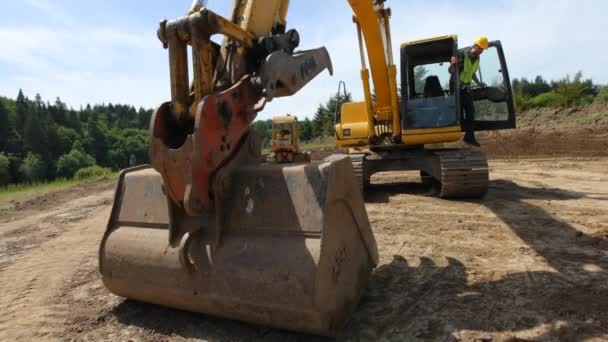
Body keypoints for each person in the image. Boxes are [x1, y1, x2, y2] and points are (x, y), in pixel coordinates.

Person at [449, 36, 489, 147]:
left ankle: (469, 137)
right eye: (480, 48)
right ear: (474, 46)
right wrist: (453, 63)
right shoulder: (462, 54)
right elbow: (450, 71)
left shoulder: (477, 58)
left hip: (466, 88)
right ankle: (456, 133)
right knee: (458, 112)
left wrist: (479, 83)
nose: (480, 51)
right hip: (456, 87)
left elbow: (472, 73)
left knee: (471, 111)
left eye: (482, 50)